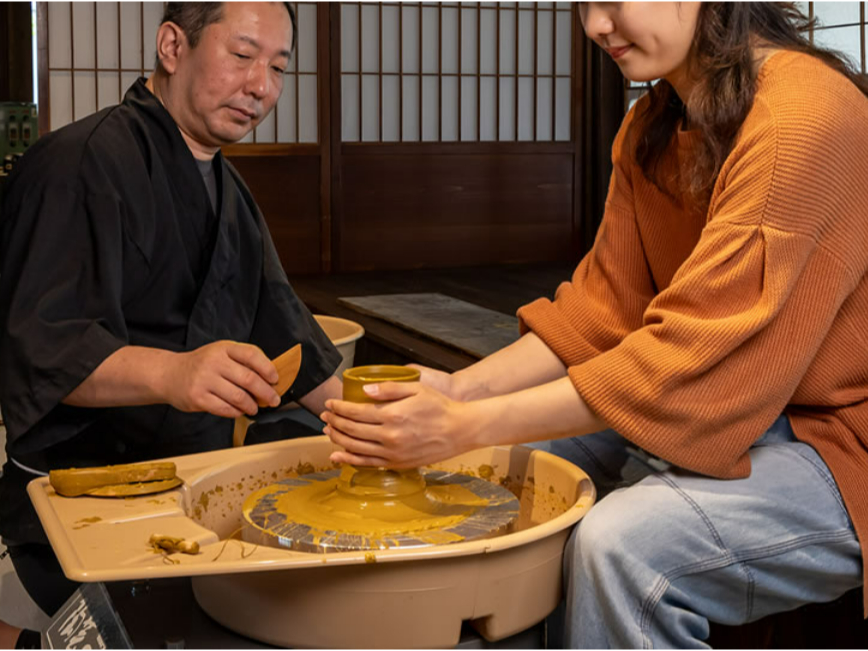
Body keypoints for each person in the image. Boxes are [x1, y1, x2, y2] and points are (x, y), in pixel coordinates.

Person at [322, 2, 868, 647]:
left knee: (623, 547)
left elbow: (697, 355)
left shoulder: (803, 116)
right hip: (726, 403)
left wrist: (465, 424)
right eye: (584, 4)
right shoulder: (652, 123)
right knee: (496, 468)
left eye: (613, 1)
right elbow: (603, 310)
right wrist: (459, 393)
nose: (594, 26)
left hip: (837, 434)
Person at [0, 1, 343, 629]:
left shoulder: (228, 190)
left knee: (316, 463)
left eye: (277, 67)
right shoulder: (78, 164)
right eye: (241, 55)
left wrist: (366, 420)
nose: (261, 87)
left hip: (190, 460)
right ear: (171, 47)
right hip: (88, 473)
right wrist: (174, 374)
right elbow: (41, 348)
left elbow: (284, 328)